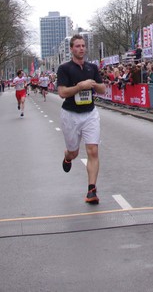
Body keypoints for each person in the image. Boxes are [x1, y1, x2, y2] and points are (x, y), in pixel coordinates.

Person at [57, 34, 106, 204]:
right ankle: (67, 156)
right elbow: (62, 92)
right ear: (71, 49)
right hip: (70, 114)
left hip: (90, 113)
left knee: (93, 150)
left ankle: (92, 190)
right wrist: (79, 87)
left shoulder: (92, 68)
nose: (81, 49)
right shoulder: (64, 68)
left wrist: (93, 85)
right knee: (74, 152)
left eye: (83, 46)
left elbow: (103, 89)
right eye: (77, 46)